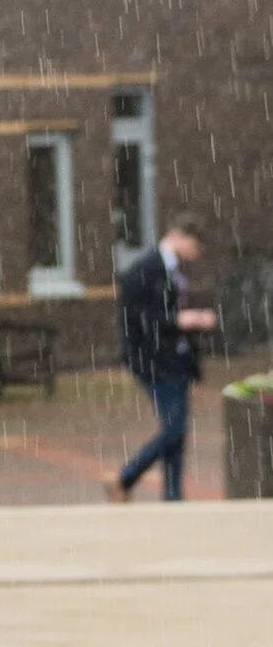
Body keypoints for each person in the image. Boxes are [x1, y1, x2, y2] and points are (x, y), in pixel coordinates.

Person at [111, 214, 216, 502]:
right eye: (194, 247)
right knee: (174, 429)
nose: (195, 255)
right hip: (155, 362)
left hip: (179, 360)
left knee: (177, 433)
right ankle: (127, 477)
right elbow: (135, 318)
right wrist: (179, 320)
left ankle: (173, 496)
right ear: (180, 237)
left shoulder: (173, 270)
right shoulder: (145, 269)